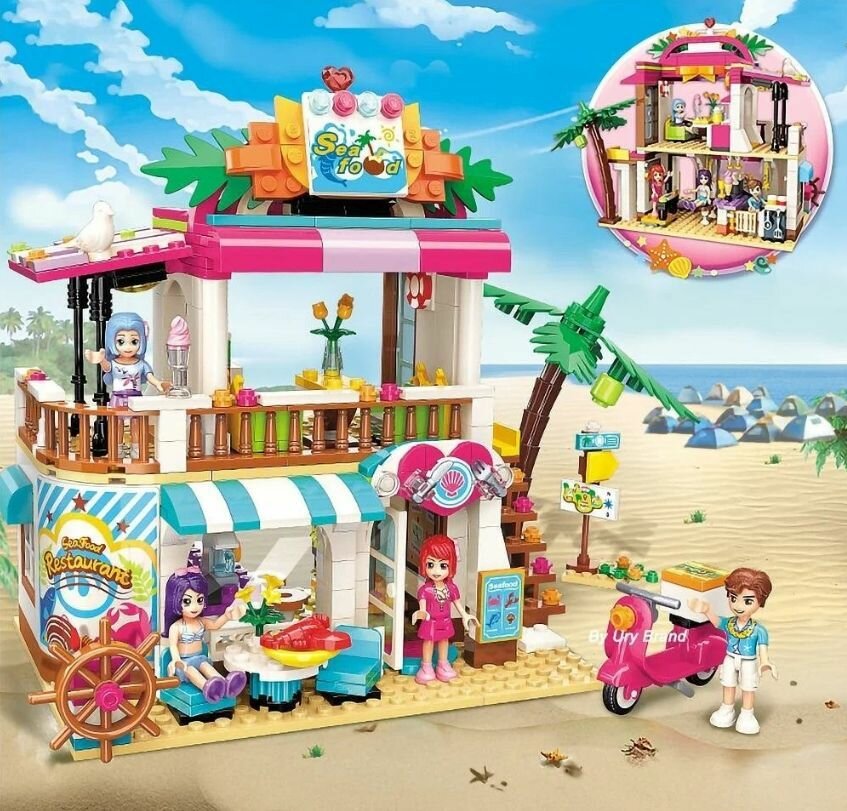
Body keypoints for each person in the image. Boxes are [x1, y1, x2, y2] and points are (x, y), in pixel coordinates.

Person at [689, 567, 776, 734]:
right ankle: (727, 709)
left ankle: (747, 714)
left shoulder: (759, 630)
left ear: (760, 601)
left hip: (748, 661)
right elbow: (717, 622)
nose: (738, 606)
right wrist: (706, 610)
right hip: (729, 658)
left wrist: (765, 662)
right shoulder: (729, 623)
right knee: (728, 684)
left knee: (748, 687)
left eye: (748, 601)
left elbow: (763, 649)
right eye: (733, 598)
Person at [164, 567, 248, 703]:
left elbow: (215, 625)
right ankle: (207, 688)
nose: (195, 607)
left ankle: (225, 685)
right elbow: (173, 646)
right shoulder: (176, 627)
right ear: (175, 601)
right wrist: (176, 660)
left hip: (200, 658)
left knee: (207, 667)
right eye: (187, 601)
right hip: (184, 663)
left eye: (199, 600)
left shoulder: (201, 622)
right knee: (191, 671)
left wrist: (227, 616)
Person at [412, 535, 478, 685]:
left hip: (445, 621)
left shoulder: (451, 588)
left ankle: (443, 664)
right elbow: (422, 607)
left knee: (444, 641)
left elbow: (457, 603)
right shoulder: (425, 590)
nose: (436, 571)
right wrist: (421, 613)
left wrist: (465, 615)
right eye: (430, 564)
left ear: (451, 566)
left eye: (443, 566)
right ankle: (426, 666)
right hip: (431, 621)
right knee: (428, 641)